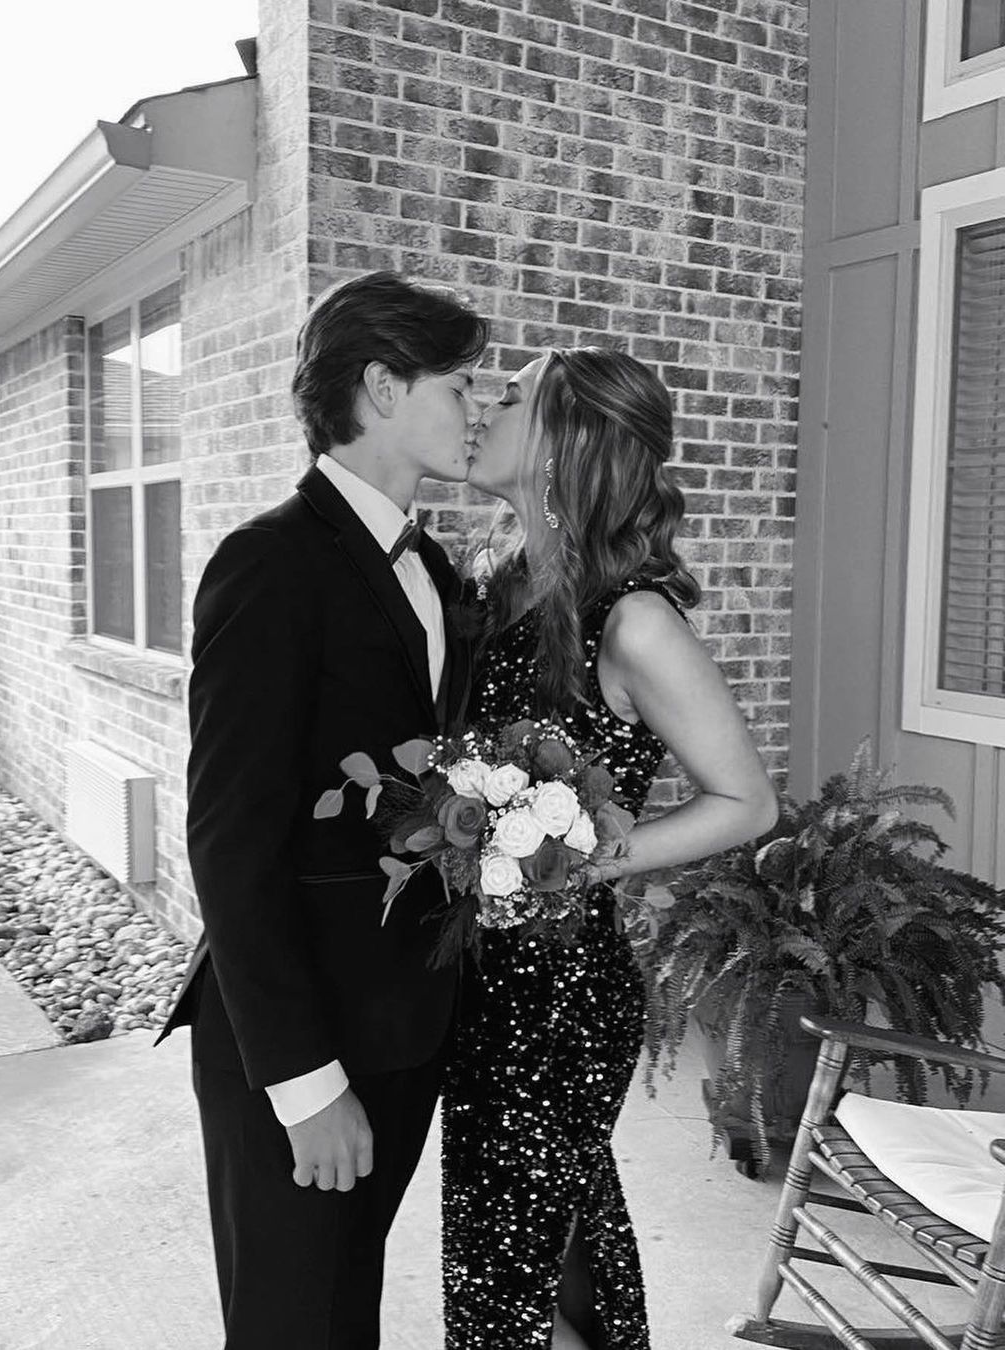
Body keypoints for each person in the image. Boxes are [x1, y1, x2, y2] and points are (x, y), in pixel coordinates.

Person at [156, 270, 487, 1349]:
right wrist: (302, 1083)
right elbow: (230, 839)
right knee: (290, 1327)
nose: (476, 408)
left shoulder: (435, 568)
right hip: (296, 1040)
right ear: (384, 387)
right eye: (460, 385)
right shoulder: (269, 563)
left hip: (402, 1024)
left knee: (349, 1314)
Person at [442, 347, 779, 1350]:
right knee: (537, 1237)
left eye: (512, 398)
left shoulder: (631, 621)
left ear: (567, 444)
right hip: (481, 974)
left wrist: (582, 859)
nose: (484, 407)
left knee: (512, 1264)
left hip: (559, 994)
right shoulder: (496, 582)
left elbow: (748, 802)